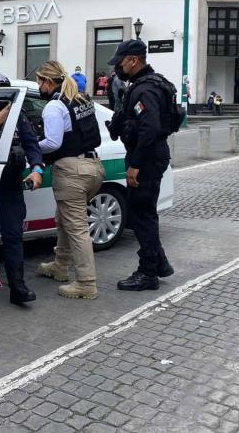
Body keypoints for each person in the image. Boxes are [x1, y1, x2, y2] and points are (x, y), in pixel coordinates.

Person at [106, 39, 175, 291]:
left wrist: (135, 164)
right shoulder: (148, 83)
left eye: (120, 63)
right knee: (145, 213)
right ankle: (160, 263)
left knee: (141, 215)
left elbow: (150, 128)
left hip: (145, 158)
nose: (117, 68)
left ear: (134, 60)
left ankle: (147, 273)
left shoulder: (145, 89)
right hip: (150, 156)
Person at [34, 61, 105, 300]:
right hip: (93, 167)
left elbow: (52, 143)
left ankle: (86, 283)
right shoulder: (81, 99)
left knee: (76, 227)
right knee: (64, 218)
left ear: (48, 81)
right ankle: (60, 266)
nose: (38, 85)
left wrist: (29, 147)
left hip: (71, 170)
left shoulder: (54, 106)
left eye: (39, 80)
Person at [0, 74, 43, 305]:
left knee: (13, 233)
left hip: (10, 181)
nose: (1, 97)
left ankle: (17, 286)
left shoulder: (18, 115)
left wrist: (37, 168)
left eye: (5, 92)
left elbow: (31, 143)